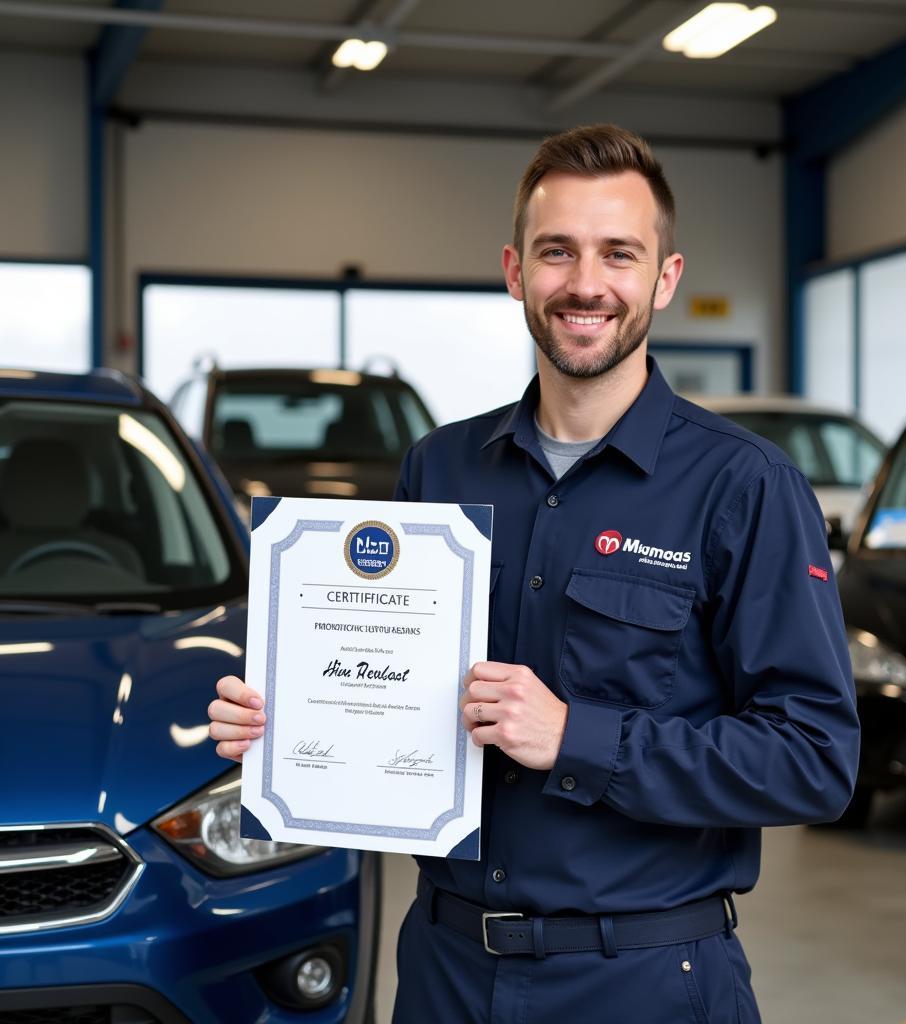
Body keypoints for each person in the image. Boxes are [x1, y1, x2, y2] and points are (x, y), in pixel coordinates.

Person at [209, 124, 860, 1023]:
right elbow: (393, 692)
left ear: (664, 279)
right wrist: (285, 723)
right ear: (517, 271)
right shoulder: (438, 471)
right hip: (445, 970)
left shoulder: (745, 488)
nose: (585, 284)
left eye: (618, 254)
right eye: (558, 252)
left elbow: (814, 760)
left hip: (641, 978)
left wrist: (579, 738)